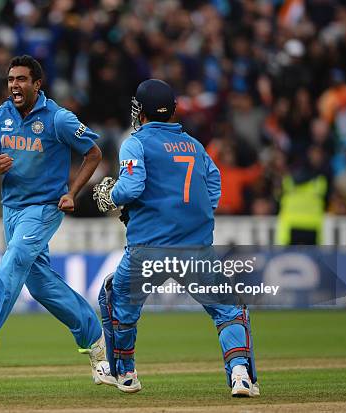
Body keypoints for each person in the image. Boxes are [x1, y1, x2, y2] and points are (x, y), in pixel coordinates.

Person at [0, 55, 114, 387]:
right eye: (10, 80)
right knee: (40, 284)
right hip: (12, 211)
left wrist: (73, 192)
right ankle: (95, 339)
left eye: (21, 79)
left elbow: (94, 153)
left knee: (7, 272)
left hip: (45, 208)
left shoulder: (58, 118)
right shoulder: (0, 116)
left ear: (37, 84)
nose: (14, 86)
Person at [93, 79, 260, 396]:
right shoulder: (195, 146)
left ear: (140, 111)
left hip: (147, 249)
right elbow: (213, 189)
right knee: (228, 309)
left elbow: (131, 188)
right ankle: (240, 376)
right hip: (195, 249)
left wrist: (114, 195)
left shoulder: (135, 142)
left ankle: (126, 373)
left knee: (117, 301)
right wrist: (187, 218)